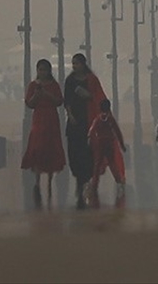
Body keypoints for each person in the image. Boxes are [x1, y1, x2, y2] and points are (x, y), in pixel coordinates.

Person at [64, 53, 110, 209]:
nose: (74, 66)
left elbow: (100, 98)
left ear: (83, 64)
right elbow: (67, 100)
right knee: (74, 153)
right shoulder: (70, 81)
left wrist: (89, 96)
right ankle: (79, 180)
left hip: (89, 120)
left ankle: (86, 181)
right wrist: (70, 115)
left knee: (87, 153)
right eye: (73, 63)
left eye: (77, 63)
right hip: (74, 122)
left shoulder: (92, 80)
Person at [21, 58, 66, 208]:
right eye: (40, 70)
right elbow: (29, 103)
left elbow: (59, 101)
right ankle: (37, 179)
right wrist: (37, 94)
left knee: (50, 147)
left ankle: (50, 180)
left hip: (51, 118)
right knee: (37, 147)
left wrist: (46, 94)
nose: (42, 72)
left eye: (44, 70)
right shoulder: (33, 86)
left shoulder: (54, 85)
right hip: (39, 118)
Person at [86, 99, 127, 209]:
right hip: (109, 143)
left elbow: (91, 130)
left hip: (100, 143)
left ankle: (94, 185)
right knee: (112, 163)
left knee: (97, 165)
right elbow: (117, 132)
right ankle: (119, 182)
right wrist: (122, 145)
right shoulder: (110, 119)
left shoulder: (98, 119)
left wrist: (89, 140)